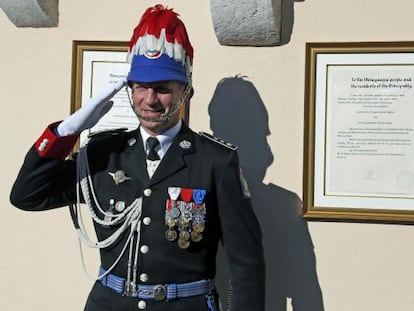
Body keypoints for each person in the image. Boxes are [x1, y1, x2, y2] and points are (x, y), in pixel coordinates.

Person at [10, 4, 265, 311]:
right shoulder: (105, 154)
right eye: (141, 87)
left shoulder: (215, 162)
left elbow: (246, 265)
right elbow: (27, 196)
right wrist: (66, 132)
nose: (149, 100)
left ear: (185, 91)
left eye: (162, 89)